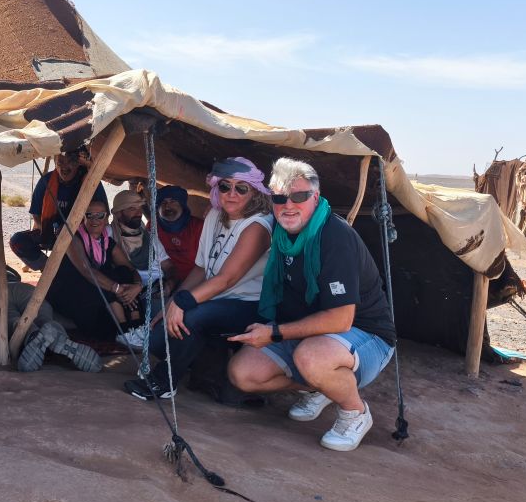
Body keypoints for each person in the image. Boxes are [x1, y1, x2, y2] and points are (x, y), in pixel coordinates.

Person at [226, 158, 397, 452]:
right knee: (242, 373)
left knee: (311, 357)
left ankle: (354, 411)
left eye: (299, 196)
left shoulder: (334, 236)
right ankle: (321, 386)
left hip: (366, 334)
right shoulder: (280, 235)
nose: (288, 205)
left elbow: (341, 320)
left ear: (315, 198)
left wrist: (275, 333)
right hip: (311, 332)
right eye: (280, 198)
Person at [124, 158, 273, 401]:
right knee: (158, 337)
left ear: (254, 191)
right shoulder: (215, 214)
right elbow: (201, 268)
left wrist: (182, 302)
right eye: (225, 186)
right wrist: (173, 301)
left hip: (249, 304)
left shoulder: (258, 225)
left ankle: (164, 382)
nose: (232, 194)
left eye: (241, 188)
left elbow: (226, 279)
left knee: (192, 316)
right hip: (215, 297)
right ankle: (201, 364)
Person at [0, 259, 101, 373]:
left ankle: (32, 336)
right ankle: (57, 336)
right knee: (42, 314)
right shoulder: (0, 264)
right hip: (19, 286)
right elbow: (16, 275)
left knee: (11, 320)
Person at [46, 198, 143, 341]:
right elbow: (87, 271)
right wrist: (118, 289)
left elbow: (130, 269)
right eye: (89, 215)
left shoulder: (107, 242)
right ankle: (125, 330)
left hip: (96, 291)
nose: (94, 220)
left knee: (123, 273)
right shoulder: (72, 238)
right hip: (69, 292)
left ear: (107, 218)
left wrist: (137, 287)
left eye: (100, 215)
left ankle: (136, 325)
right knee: (105, 283)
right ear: (83, 217)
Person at [9, 146, 107, 270]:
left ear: (78, 164)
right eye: (60, 162)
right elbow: (36, 213)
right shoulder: (46, 180)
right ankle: (47, 268)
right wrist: (41, 228)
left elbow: (102, 213)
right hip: (50, 232)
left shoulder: (90, 182)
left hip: (80, 236)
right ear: (55, 163)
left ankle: (73, 269)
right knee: (17, 241)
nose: (64, 167)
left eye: (70, 162)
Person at [109, 189, 172, 349]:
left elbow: (169, 267)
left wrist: (170, 285)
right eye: (131, 208)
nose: (138, 213)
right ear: (118, 213)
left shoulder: (150, 237)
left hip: (157, 289)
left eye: (139, 209)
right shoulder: (109, 235)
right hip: (129, 291)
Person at [155, 185, 205, 284]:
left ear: (182, 205)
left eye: (173, 202)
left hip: (196, 283)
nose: (168, 206)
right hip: (165, 282)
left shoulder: (199, 227)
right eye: (163, 203)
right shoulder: (153, 227)